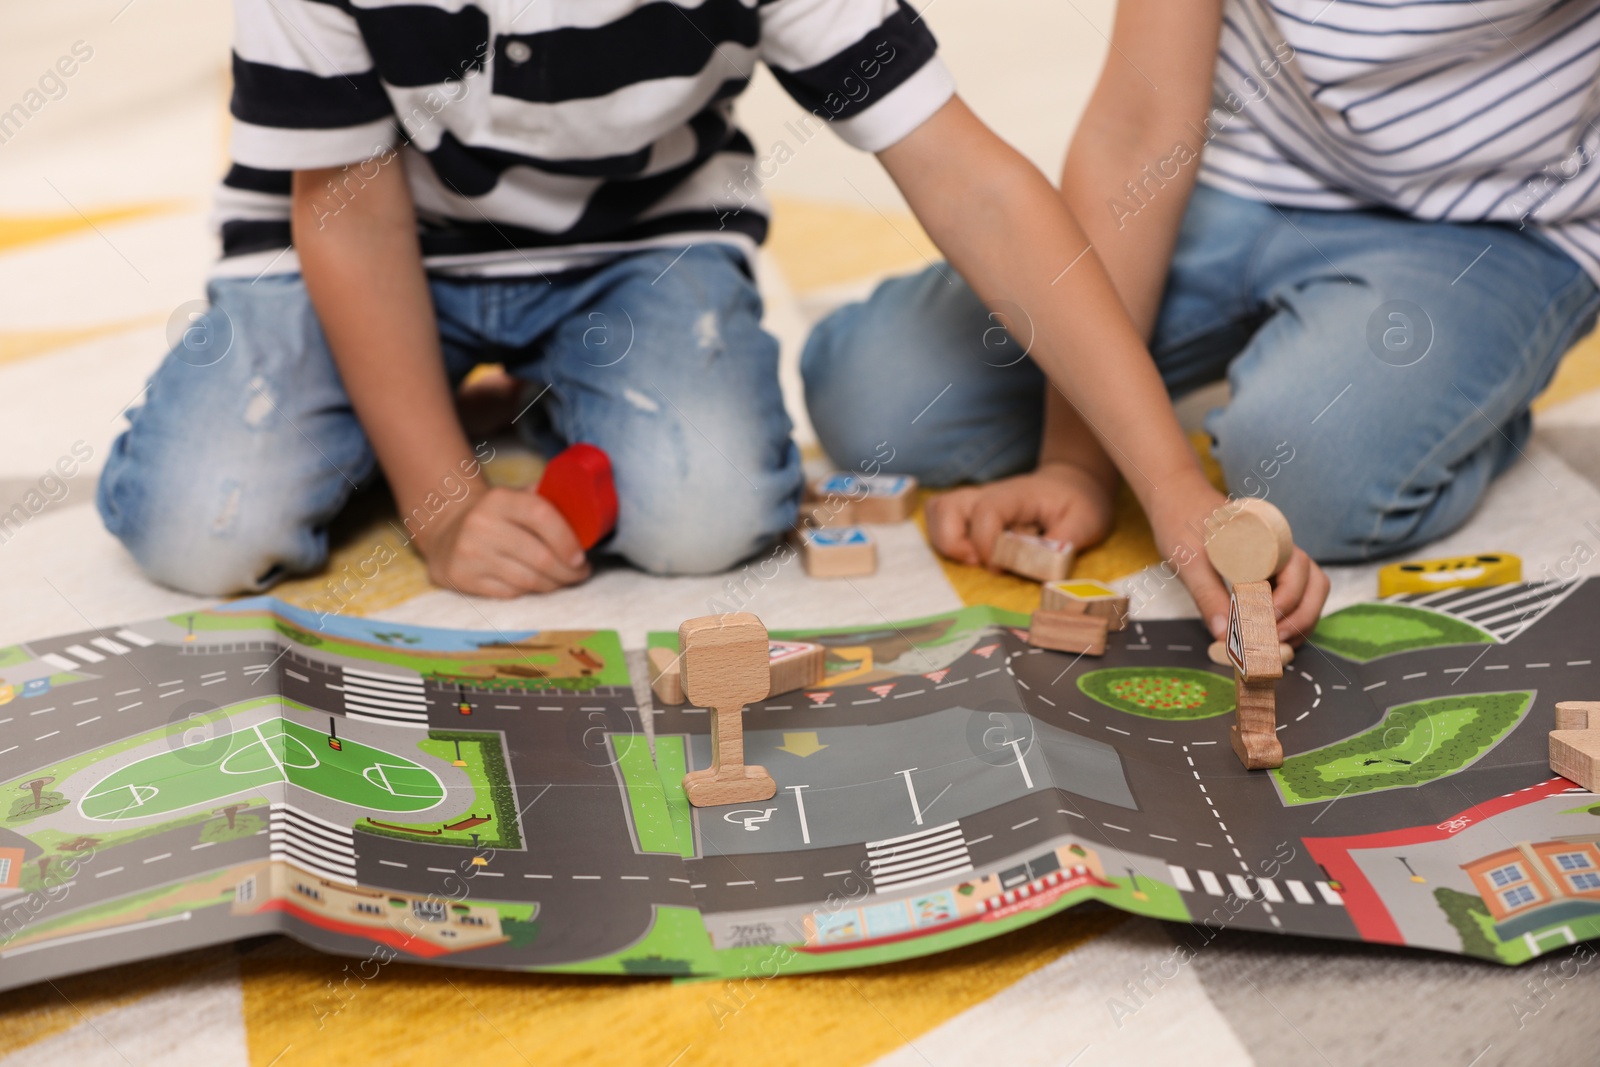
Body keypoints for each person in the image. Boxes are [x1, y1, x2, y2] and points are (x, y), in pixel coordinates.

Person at [98, 0, 1311, 635]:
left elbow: (971, 180)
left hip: (635, 237)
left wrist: (1167, 482)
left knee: (705, 513)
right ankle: (417, 411)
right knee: (199, 526)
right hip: (354, 236)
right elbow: (344, 211)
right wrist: (441, 503)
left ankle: (476, 397)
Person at [806, 0, 1600, 638]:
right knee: (879, 391)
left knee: (1304, 478)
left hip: (1493, 221)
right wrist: (1075, 463)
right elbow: (1135, 132)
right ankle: (1315, 347)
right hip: (1237, 177)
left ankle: (1471, 400)